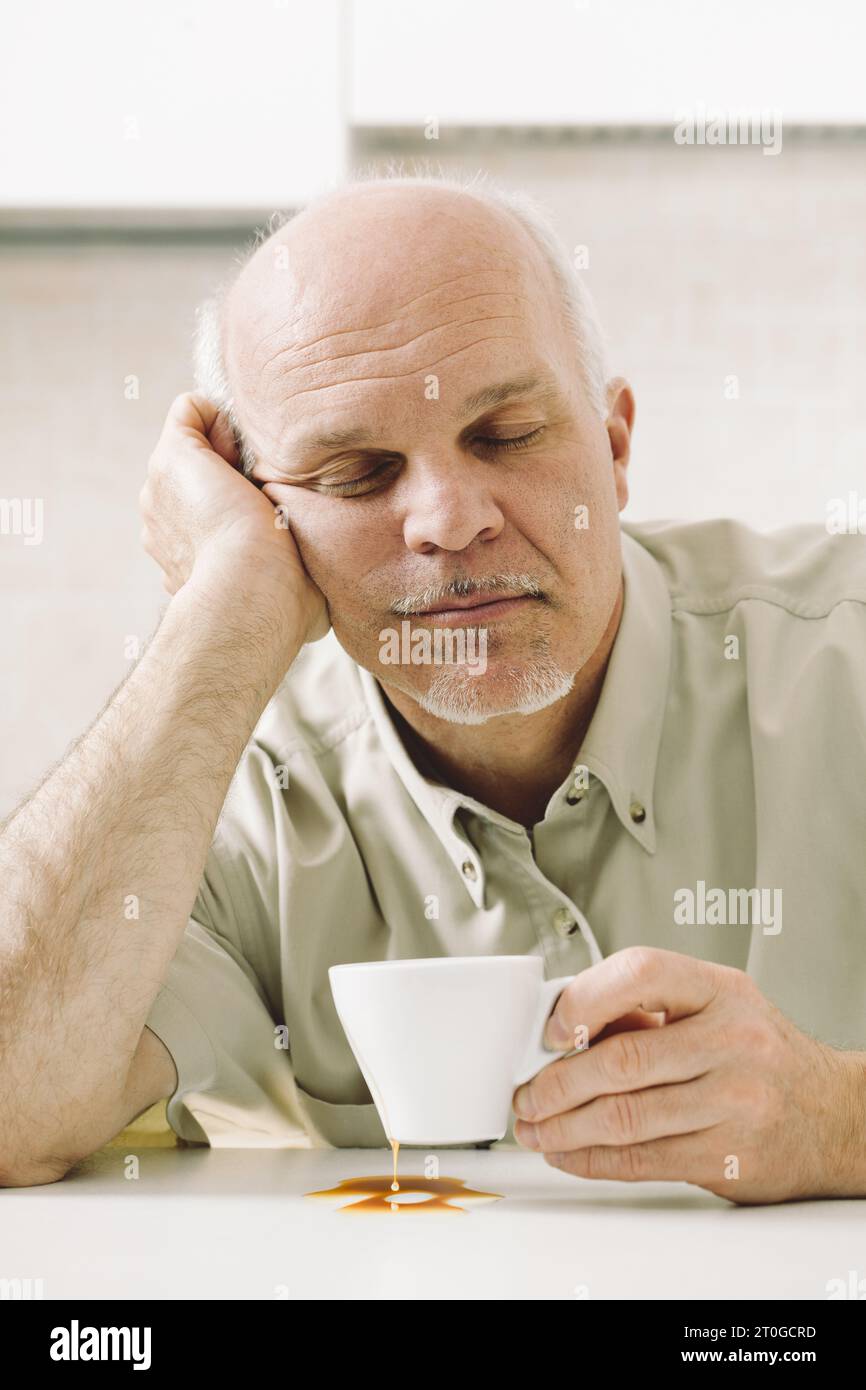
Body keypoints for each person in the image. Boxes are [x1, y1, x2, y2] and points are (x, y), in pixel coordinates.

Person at [1, 172, 864, 1204]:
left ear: (615, 445)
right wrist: (217, 612)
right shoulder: (223, 791)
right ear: (260, 511)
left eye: (504, 435)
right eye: (354, 474)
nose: (449, 519)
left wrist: (836, 1115)